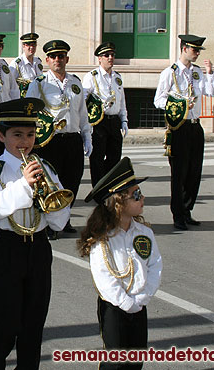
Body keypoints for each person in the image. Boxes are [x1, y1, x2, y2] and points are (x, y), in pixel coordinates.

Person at [0, 97, 70, 369]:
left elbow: (58, 220)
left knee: (34, 323)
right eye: (17, 134)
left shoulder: (46, 167)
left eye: (30, 134)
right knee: (6, 322)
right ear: (1, 135)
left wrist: (52, 204)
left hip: (39, 248)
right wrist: (26, 187)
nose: (25, 141)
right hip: (9, 248)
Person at [79, 157, 162, 369]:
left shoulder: (144, 233)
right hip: (114, 306)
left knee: (136, 360)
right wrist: (125, 302)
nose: (142, 198)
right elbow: (103, 277)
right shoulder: (103, 238)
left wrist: (143, 296)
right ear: (118, 201)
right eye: (135, 195)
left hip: (139, 303)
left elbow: (155, 265)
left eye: (140, 193)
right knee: (115, 361)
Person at [25, 39, 92, 238]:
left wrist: (87, 136)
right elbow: (30, 113)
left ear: (66, 59)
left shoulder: (75, 83)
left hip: (72, 138)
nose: (57, 60)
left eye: (61, 56)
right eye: (53, 57)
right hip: (49, 141)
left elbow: (82, 113)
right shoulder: (39, 84)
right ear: (47, 59)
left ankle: (64, 219)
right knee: (49, 181)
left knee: (72, 179)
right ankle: (48, 222)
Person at [153, 34, 214, 231]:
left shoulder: (197, 72)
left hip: (195, 126)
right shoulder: (170, 73)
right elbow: (158, 100)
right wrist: (178, 105)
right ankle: (178, 214)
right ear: (184, 49)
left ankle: (187, 210)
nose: (197, 53)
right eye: (194, 49)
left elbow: (211, 92)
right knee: (179, 172)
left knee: (194, 172)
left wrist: (209, 73)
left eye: (198, 50)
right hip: (179, 127)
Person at [82, 42, 129, 186]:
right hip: (99, 122)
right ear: (99, 58)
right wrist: (86, 123)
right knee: (97, 158)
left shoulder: (117, 77)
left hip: (113, 121)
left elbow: (122, 101)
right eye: (106, 55)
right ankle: (98, 189)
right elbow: (83, 100)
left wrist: (124, 120)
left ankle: (110, 186)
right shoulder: (92, 76)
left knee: (114, 158)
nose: (110, 58)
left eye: (112, 55)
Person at [9, 33, 44, 98]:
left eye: (34, 45)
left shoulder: (38, 61)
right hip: (23, 99)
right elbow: (10, 83)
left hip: (37, 97)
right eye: (29, 45)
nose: (32, 48)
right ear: (24, 46)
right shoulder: (17, 63)